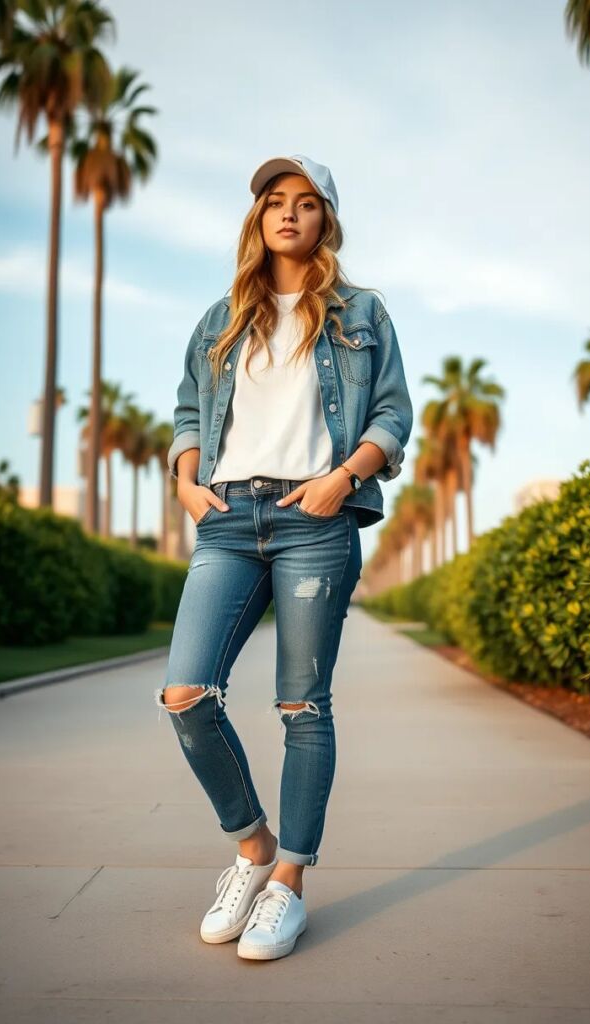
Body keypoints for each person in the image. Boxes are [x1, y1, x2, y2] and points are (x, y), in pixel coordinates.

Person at [155, 154, 413, 961]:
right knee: (184, 692)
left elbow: (392, 414)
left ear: (325, 220)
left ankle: (289, 884)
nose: (289, 214)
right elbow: (189, 409)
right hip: (228, 518)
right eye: (275, 201)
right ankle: (252, 847)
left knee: (302, 706)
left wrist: (343, 479)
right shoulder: (221, 316)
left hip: (315, 516)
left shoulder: (361, 312)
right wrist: (186, 481)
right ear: (258, 217)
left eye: (306, 203)